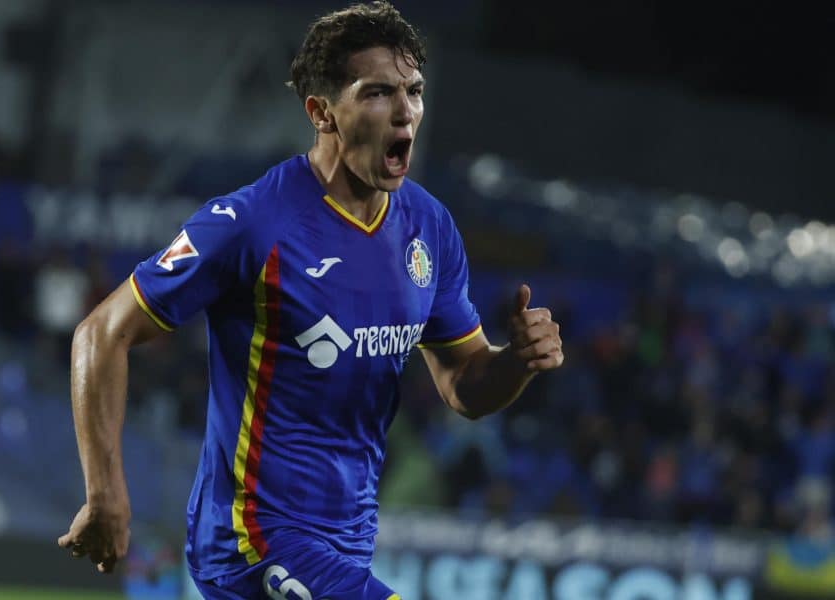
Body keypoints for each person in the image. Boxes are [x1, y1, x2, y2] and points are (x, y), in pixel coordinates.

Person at [58, 3, 564, 598]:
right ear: (322, 112)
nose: (405, 112)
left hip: (348, 540)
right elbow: (101, 333)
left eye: (414, 91)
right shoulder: (252, 223)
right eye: (378, 93)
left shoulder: (428, 228)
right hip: (252, 538)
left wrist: (515, 362)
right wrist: (105, 493)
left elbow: (464, 386)